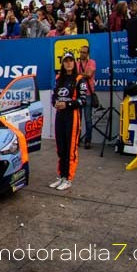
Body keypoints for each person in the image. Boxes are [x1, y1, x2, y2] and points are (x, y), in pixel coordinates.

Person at [50, 51, 90, 191]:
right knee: (61, 148)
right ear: (62, 63)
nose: (68, 63)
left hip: (72, 116)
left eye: (70, 61)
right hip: (60, 116)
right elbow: (53, 97)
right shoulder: (59, 78)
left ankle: (68, 178)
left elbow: (83, 100)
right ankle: (62, 176)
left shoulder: (79, 79)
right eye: (66, 61)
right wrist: (55, 103)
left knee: (70, 148)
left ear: (74, 63)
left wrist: (67, 104)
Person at [78, 45, 97, 149]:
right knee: (78, 119)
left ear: (88, 54)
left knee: (88, 119)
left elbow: (89, 74)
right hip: (78, 94)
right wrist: (81, 74)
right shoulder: (76, 63)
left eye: (84, 52)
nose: (82, 54)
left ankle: (88, 140)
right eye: (81, 52)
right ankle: (77, 139)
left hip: (88, 94)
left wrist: (78, 74)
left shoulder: (92, 62)